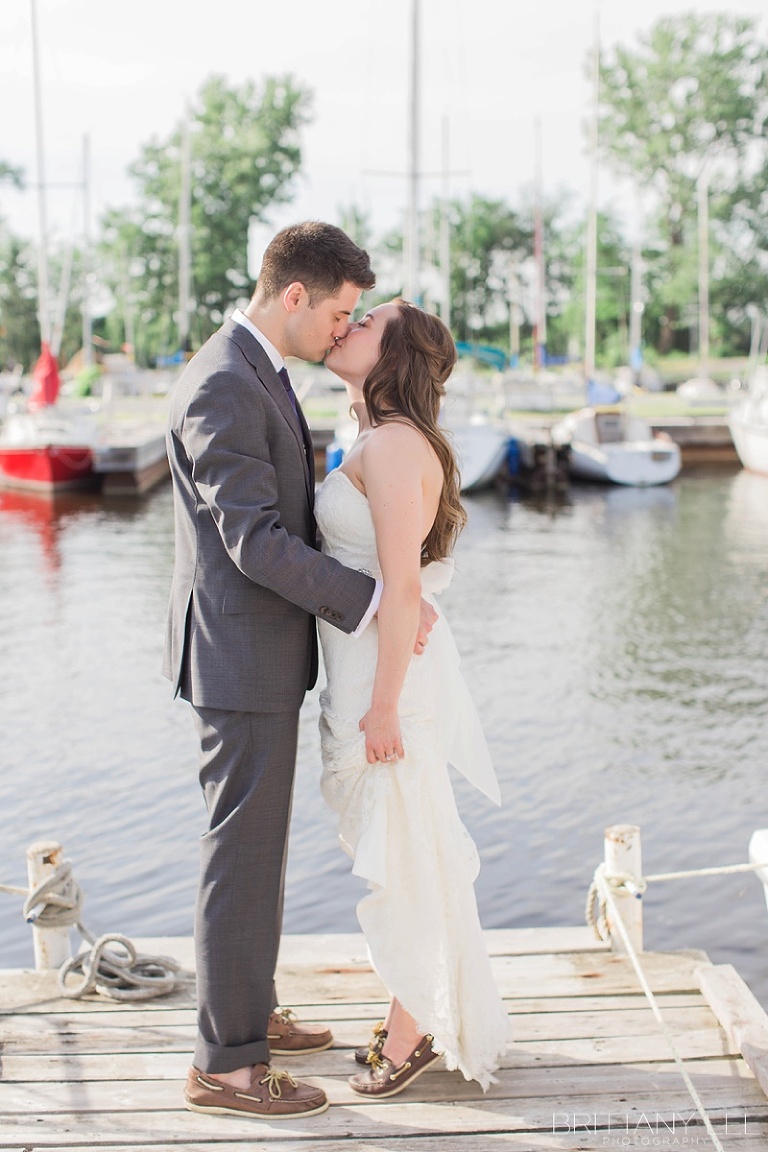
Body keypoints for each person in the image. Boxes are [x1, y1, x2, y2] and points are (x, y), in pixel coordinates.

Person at [162, 222, 436, 1121]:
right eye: (340, 313)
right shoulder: (220, 384)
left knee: (259, 851)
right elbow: (254, 541)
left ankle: (248, 1012)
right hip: (238, 657)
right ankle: (227, 1068)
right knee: (240, 857)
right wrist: (372, 601)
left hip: (265, 654)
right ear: (294, 298)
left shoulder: (262, 372)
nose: (341, 329)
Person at [317, 299, 510, 1097]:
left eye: (366, 322)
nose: (347, 326)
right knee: (404, 847)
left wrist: (386, 706)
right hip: (366, 670)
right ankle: (415, 1007)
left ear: (393, 352)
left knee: (405, 853)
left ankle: (411, 1031)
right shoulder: (378, 437)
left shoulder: (395, 446)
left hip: (383, 681)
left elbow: (401, 588)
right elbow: (390, 579)